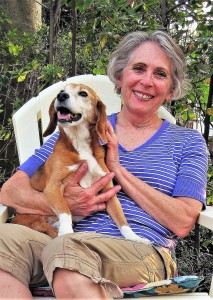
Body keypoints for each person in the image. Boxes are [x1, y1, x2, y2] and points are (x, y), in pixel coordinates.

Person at [0, 30, 208, 299]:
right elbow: (10, 192)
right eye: (138, 69)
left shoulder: (187, 141)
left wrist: (117, 170)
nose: (146, 81)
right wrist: (69, 205)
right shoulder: (76, 128)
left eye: (160, 74)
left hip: (138, 252)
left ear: (171, 90)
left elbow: (183, 221)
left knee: (67, 254)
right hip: (57, 240)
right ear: (120, 78)